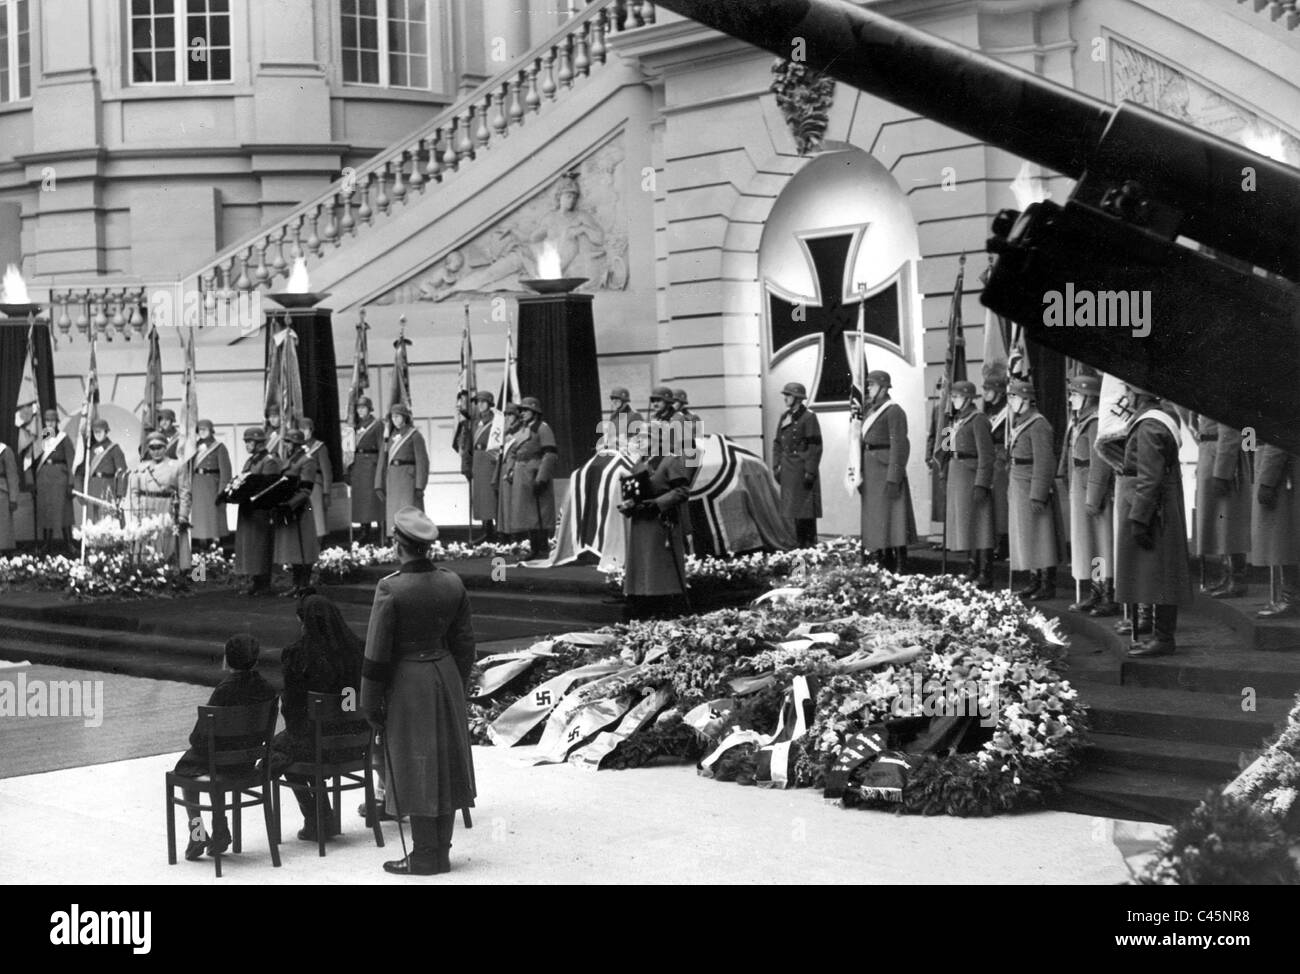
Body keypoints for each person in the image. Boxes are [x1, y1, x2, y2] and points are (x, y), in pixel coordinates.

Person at [361, 506, 476, 875]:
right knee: (444, 762)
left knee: (416, 765)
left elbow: (376, 653)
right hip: (446, 674)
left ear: (399, 545)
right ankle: (439, 849)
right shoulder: (451, 582)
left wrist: (370, 702)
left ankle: (425, 855)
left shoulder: (391, 587)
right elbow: (465, 643)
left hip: (408, 682)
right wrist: (455, 682)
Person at [269, 594, 366, 842]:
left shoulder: (298, 654)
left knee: (280, 751)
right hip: (358, 742)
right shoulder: (357, 649)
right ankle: (322, 817)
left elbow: (291, 708)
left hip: (319, 744)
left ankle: (316, 817)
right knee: (300, 741)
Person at [173, 634, 277, 862]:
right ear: (256, 660)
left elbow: (198, 737)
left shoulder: (223, 690)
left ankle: (198, 832)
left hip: (218, 762)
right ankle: (220, 829)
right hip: (247, 761)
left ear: (227, 660)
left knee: (188, 768)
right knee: (213, 764)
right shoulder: (268, 689)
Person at [1116, 387, 1192, 657]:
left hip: (1153, 509)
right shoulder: (1156, 418)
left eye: (1127, 391)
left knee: (1160, 574)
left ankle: (1163, 638)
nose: (1125, 396)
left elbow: (1149, 478)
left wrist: (1139, 517)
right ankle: (1160, 635)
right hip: (1155, 506)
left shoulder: (1149, 425)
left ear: (1137, 395)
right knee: (1157, 572)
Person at [619, 423, 692, 619]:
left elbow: (682, 491)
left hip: (661, 522)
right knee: (642, 565)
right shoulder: (638, 464)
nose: (639, 441)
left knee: (660, 567)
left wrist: (658, 503)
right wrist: (628, 504)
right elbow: (633, 491)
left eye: (644, 437)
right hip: (640, 522)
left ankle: (664, 607)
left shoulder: (671, 461)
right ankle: (643, 603)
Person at [1058, 375, 1116, 613]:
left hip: (1092, 486)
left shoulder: (1095, 421)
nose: (1071, 398)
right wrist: (1063, 473)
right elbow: (1069, 451)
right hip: (1079, 482)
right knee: (1088, 542)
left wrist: (1094, 496)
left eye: (1075, 394)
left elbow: (1100, 463)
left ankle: (1107, 593)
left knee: (1101, 541)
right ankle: (1094, 588)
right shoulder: (1079, 420)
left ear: (1088, 396)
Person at [934, 379, 995, 587]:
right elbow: (945, 447)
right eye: (952, 397)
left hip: (971, 472)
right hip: (956, 471)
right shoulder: (953, 420)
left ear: (968, 398)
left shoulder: (978, 419)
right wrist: (943, 470)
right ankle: (972, 567)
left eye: (957, 396)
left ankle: (985, 571)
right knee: (966, 524)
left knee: (980, 524)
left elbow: (987, 455)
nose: (953, 400)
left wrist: (981, 483)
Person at [1006, 379, 1059, 600]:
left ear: (1026, 399)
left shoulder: (1038, 424)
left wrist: (1038, 494)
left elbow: (1044, 462)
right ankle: (1034, 579)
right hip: (1019, 483)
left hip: (1031, 484)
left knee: (1041, 535)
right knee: (1027, 535)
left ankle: (1047, 582)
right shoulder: (1021, 422)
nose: (1011, 401)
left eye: (1014, 397)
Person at [858, 370, 914, 571]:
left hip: (886, 468)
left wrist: (894, 476)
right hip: (871, 470)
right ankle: (882, 559)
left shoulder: (894, 411)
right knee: (876, 519)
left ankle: (900, 562)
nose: (868, 389)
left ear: (883, 387)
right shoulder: (869, 411)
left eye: (872, 385)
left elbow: (900, 445)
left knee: (895, 518)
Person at [1193, 413, 1252, 598]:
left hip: (1222, 455)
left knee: (1229, 522)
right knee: (1221, 524)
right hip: (1210, 452)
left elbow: (1230, 432)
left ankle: (1237, 578)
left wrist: (1222, 472)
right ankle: (1228, 576)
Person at [503, 397, 558, 559]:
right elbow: (513, 451)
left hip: (535, 473)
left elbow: (550, 454)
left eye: (526, 410)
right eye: (521, 410)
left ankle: (542, 548)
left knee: (538, 513)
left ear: (534, 412)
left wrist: (541, 477)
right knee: (527, 514)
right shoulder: (521, 430)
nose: (522, 413)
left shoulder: (542, 428)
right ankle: (534, 547)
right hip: (522, 475)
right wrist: (510, 470)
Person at [1251, 442, 1300, 618]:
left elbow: (1277, 444)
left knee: (1282, 540)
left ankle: (1289, 599)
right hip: (1283, 470)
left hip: (1282, 476)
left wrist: (1267, 481)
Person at [128, 431, 193, 565]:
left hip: (167, 508)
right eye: (152, 448)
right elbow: (134, 491)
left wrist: (183, 515)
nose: (156, 451)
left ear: (165, 448)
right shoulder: (141, 467)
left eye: (159, 447)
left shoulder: (177, 466)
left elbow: (184, 492)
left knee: (168, 542)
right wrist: (136, 511)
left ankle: (170, 572)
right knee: (147, 540)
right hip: (147, 509)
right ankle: (147, 572)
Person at [232, 427, 282, 597]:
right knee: (250, 546)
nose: (247, 445)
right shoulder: (251, 461)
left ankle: (264, 583)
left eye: (250, 442)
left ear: (260, 443)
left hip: (261, 509)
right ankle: (255, 581)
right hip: (248, 508)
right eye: (246, 442)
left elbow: (269, 487)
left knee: (261, 545)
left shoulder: (269, 461)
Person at [772, 381, 822, 548]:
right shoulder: (784, 417)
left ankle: (807, 560)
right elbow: (777, 443)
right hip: (788, 472)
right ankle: (797, 565)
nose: (785, 398)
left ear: (797, 398)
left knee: (805, 519)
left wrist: (810, 471)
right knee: (792, 519)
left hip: (802, 473)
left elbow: (815, 447)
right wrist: (775, 465)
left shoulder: (809, 417)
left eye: (788, 395)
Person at [274, 428, 320, 598]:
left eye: (288, 442)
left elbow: (306, 489)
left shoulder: (307, 461)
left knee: (304, 548)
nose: (286, 445)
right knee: (294, 548)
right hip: (289, 506)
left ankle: (304, 585)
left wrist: (290, 504)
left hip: (301, 508)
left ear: (296, 444)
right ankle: (296, 584)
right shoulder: (290, 460)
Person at [376, 403, 428, 536]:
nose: (395, 419)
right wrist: (378, 484)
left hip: (408, 478)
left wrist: (419, 485)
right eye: (392, 417)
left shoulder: (414, 435)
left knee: (409, 511)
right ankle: (396, 538)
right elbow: (382, 461)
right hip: (392, 478)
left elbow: (422, 462)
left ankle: (411, 538)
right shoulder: (388, 438)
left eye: (397, 416)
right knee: (394, 511)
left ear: (405, 417)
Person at [34, 409, 75, 555]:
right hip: (44, 478)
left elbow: (71, 462)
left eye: (52, 420)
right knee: (47, 511)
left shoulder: (63, 438)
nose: (49, 423)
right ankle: (47, 543)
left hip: (60, 478)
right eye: (47, 420)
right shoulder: (42, 439)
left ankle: (69, 543)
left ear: (57, 422)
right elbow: (36, 460)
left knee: (64, 511)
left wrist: (71, 483)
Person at [74, 419, 128, 524]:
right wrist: (79, 492)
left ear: (106, 432)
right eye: (95, 432)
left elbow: (122, 474)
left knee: (108, 522)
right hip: (92, 489)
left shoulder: (114, 449)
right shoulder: (90, 450)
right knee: (92, 522)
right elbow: (80, 472)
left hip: (108, 489)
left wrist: (120, 495)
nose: (97, 434)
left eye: (100, 431)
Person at [981, 371, 1011, 560]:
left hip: (1000, 459)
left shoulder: (1006, 412)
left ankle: (1003, 543)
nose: (984, 393)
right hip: (986, 459)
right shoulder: (987, 412)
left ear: (999, 392)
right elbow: (942, 437)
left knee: (1000, 503)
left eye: (988, 389)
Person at [188, 420, 232, 549]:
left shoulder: (219, 447)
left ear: (211, 430)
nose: (202, 432)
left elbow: (226, 472)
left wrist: (222, 492)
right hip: (197, 486)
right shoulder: (193, 447)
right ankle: (201, 548)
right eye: (200, 430)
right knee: (199, 523)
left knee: (213, 522)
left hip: (212, 486)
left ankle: (215, 548)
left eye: (205, 429)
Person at [348, 396, 385, 544]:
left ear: (370, 409)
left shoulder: (377, 425)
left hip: (371, 464)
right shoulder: (353, 426)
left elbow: (382, 446)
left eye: (363, 407)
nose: (360, 410)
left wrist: (381, 467)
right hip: (357, 465)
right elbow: (348, 448)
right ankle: (365, 529)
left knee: (373, 499)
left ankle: (380, 531)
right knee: (361, 500)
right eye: (358, 408)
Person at [470, 392, 500, 542]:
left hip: (490, 460)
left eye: (483, 401)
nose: (480, 404)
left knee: (492, 496)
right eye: (478, 402)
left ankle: (499, 531)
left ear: (490, 403)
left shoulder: (497, 421)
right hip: (478, 459)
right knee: (481, 497)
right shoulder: (476, 422)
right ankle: (487, 530)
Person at [300, 417, 332, 543]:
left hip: (315, 483)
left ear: (311, 430)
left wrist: (326, 492)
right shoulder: (296, 446)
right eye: (301, 429)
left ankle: (319, 543)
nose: (303, 432)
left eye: (306, 429)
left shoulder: (319, 447)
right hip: (300, 484)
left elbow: (326, 471)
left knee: (317, 517)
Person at [496, 402, 523, 542]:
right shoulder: (504, 432)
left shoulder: (520, 433)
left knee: (513, 503)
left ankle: (515, 534)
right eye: (505, 414)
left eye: (510, 414)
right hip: (504, 468)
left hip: (514, 470)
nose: (507, 417)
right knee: (504, 504)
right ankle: (505, 532)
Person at [601, 387, 643, 452]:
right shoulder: (613, 416)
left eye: (617, 399)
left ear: (624, 401)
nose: (614, 401)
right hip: (613, 452)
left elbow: (640, 442)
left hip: (629, 454)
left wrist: (620, 442)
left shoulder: (635, 416)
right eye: (612, 398)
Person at [0, 437, 18, 554]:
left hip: (2, 492)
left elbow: (12, 476)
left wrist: (13, 498)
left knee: (3, 525)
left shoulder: (5, 450)